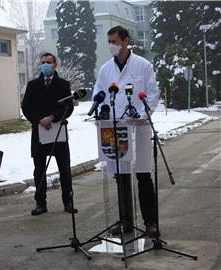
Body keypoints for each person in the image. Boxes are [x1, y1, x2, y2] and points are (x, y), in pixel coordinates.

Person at [92, 26, 159, 237]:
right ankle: (125, 221)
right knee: (121, 177)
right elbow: (99, 93)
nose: (112, 45)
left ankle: (151, 222)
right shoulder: (105, 69)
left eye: (115, 41)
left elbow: (153, 94)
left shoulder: (143, 65)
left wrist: (140, 114)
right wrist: (99, 110)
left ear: (126, 41)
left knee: (143, 175)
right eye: (109, 42)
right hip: (115, 129)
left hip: (138, 128)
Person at [21, 52, 77, 216]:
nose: (45, 64)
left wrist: (53, 117)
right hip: (39, 132)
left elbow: (69, 107)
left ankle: (68, 201)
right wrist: (39, 119)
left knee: (64, 169)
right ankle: (40, 203)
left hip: (58, 131)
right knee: (39, 169)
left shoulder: (63, 84)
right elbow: (26, 107)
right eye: (43, 62)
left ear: (55, 65)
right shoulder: (32, 85)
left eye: (48, 62)